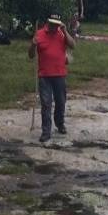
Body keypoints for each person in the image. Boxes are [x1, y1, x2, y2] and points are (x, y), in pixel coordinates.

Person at [29, 13, 75, 142]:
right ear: (48, 23)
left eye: (57, 24)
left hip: (60, 74)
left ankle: (60, 124)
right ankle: (46, 131)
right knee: (46, 104)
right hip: (44, 75)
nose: (55, 26)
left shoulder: (61, 34)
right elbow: (31, 55)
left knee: (61, 102)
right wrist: (33, 45)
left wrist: (65, 31)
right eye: (53, 24)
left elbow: (73, 45)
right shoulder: (39, 34)